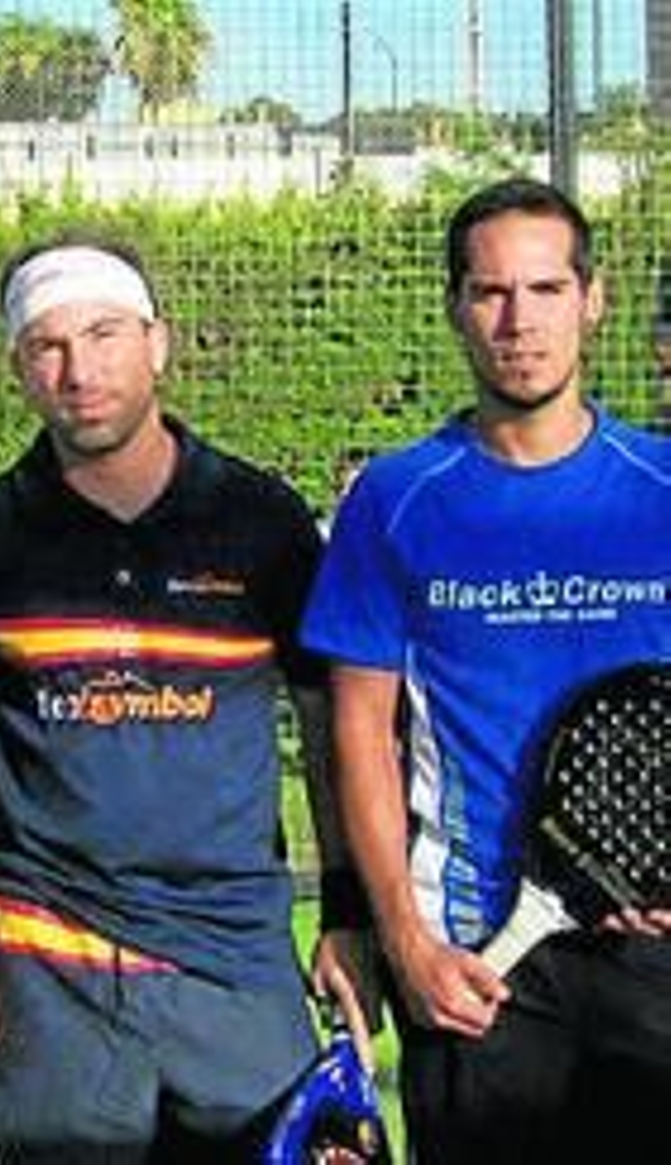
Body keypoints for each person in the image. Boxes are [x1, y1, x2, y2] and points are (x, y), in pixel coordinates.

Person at [0, 236, 367, 1160]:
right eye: (49, 346)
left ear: (159, 343)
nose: (80, 369)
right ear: (19, 370)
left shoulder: (262, 520)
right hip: (44, 966)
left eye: (105, 334)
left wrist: (350, 915)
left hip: (237, 964)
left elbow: (328, 731)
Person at [300, 177, 671, 1162]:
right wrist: (405, 944)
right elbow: (356, 738)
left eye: (546, 290)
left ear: (592, 301)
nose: (519, 321)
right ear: (455, 307)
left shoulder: (661, 490)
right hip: (473, 966)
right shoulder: (394, 500)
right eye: (491, 292)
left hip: (655, 965)